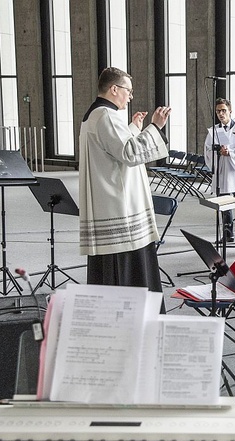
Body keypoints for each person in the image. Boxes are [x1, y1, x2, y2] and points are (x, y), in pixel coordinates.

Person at [79, 67, 170, 304]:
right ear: (114, 89)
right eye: (128, 91)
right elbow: (129, 153)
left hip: (107, 205)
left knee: (110, 274)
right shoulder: (107, 116)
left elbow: (112, 151)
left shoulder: (94, 115)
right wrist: (156, 127)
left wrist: (132, 129)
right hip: (121, 211)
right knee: (131, 275)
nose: (130, 97)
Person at [204, 98, 235, 241]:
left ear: (230, 111)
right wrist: (217, 151)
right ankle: (227, 232)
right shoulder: (214, 131)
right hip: (223, 170)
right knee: (225, 202)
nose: (221, 113)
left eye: (224, 110)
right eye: (218, 111)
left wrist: (230, 152)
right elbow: (207, 149)